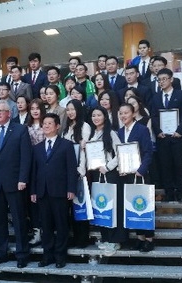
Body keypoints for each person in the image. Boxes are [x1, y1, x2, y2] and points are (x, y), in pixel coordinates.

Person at [0, 100, 32, 269]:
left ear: (9, 113)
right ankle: (0, 253)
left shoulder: (20, 130)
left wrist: (23, 179)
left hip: (15, 183)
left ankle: (22, 254)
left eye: (1, 111)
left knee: (18, 220)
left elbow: (26, 157)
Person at [31, 113, 77, 269]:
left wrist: (71, 188)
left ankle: (60, 256)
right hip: (42, 192)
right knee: (46, 226)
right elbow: (34, 172)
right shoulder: (37, 148)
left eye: (50, 123)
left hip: (60, 191)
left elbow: (71, 169)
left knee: (62, 224)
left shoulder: (66, 145)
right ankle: (47, 255)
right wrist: (33, 191)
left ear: (57, 126)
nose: (46, 126)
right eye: (44, 124)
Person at [86, 106, 126, 256]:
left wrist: (108, 167)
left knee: (113, 206)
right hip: (97, 174)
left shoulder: (111, 133)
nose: (96, 118)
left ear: (105, 117)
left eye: (99, 115)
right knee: (102, 206)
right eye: (94, 115)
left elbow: (119, 153)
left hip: (109, 174)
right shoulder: (92, 134)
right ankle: (106, 237)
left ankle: (115, 240)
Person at [118, 103, 154, 252]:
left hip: (140, 174)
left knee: (144, 206)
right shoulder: (119, 132)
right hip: (126, 174)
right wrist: (121, 167)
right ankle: (140, 238)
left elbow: (148, 152)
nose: (123, 116)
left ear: (133, 114)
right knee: (134, 205)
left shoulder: (142, 129)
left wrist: (142, 169)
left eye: (126, 113)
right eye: (121, 113)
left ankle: (149, 239)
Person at [152, 68, 182, 202]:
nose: (161, 82)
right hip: (163, 138)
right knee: (165, 165)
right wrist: (158, 131)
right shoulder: (156, 97)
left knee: (179, 164)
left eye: (164, 79)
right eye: (159, 80)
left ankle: (180, 192)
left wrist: (180, 130)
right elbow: (154, 117)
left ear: (171, 79)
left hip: (178, 137)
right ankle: (168, 192)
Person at [62, 99, 91, 248]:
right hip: (67, 171)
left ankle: (82, 239)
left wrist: (81, 169)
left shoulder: (85, 126)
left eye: (73, 109)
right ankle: (74, 237)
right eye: (68, 110)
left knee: (81, 206)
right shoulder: (66, 127)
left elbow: (84, 151)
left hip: (79, 171)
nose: (70, 112)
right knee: (70, 208)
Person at [26, 98, 46, 245]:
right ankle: (36, 230)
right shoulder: (26, 127)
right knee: (32, 199)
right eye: (32, 108)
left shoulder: (47, 124)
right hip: (30, 165)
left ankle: (46, 230)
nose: (35, 111)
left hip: (45, 164)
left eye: (37, 108)